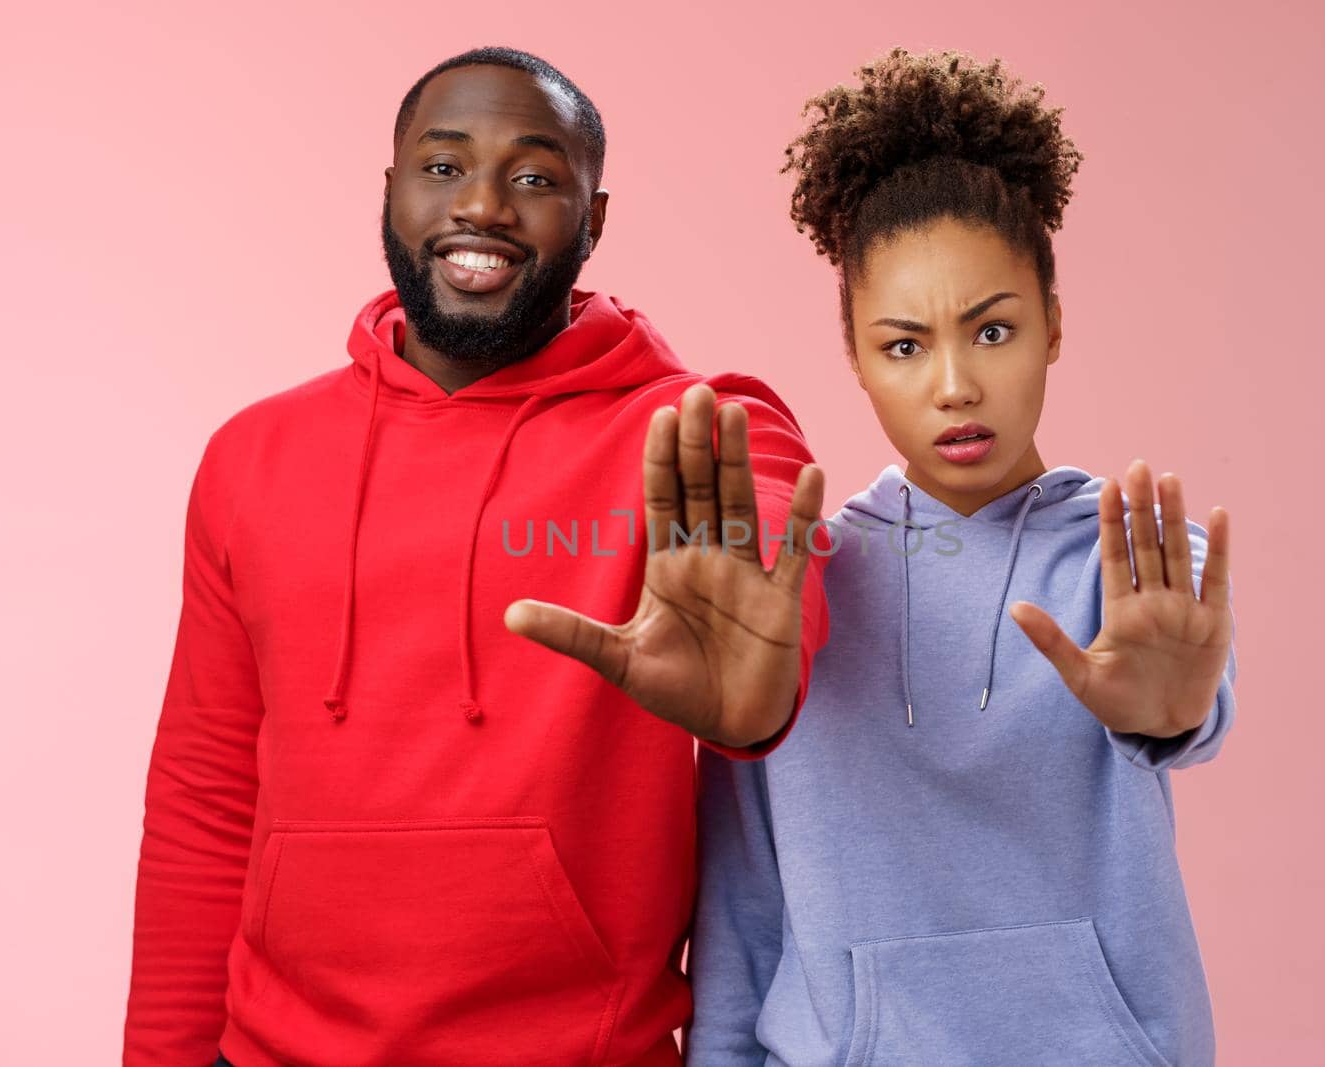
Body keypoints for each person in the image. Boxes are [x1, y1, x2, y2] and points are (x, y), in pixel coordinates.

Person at [123, 47, 829, 1067]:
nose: (485, 206)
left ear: (594, 218)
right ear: (391, 190)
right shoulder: (252, 455)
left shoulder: (696, 431)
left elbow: (763, 546)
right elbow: (204, 796)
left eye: (536, 178)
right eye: (444, 166)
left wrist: (762, 694)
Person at [685, 49, 1238, 1067]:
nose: (953, 385)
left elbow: (1190, 702)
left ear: (1053, 325)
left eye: (991, 329)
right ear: (852, 352)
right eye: (903, 345)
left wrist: (1170, 715)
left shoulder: (1130, 561)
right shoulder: (794, 584)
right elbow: (744, 896)